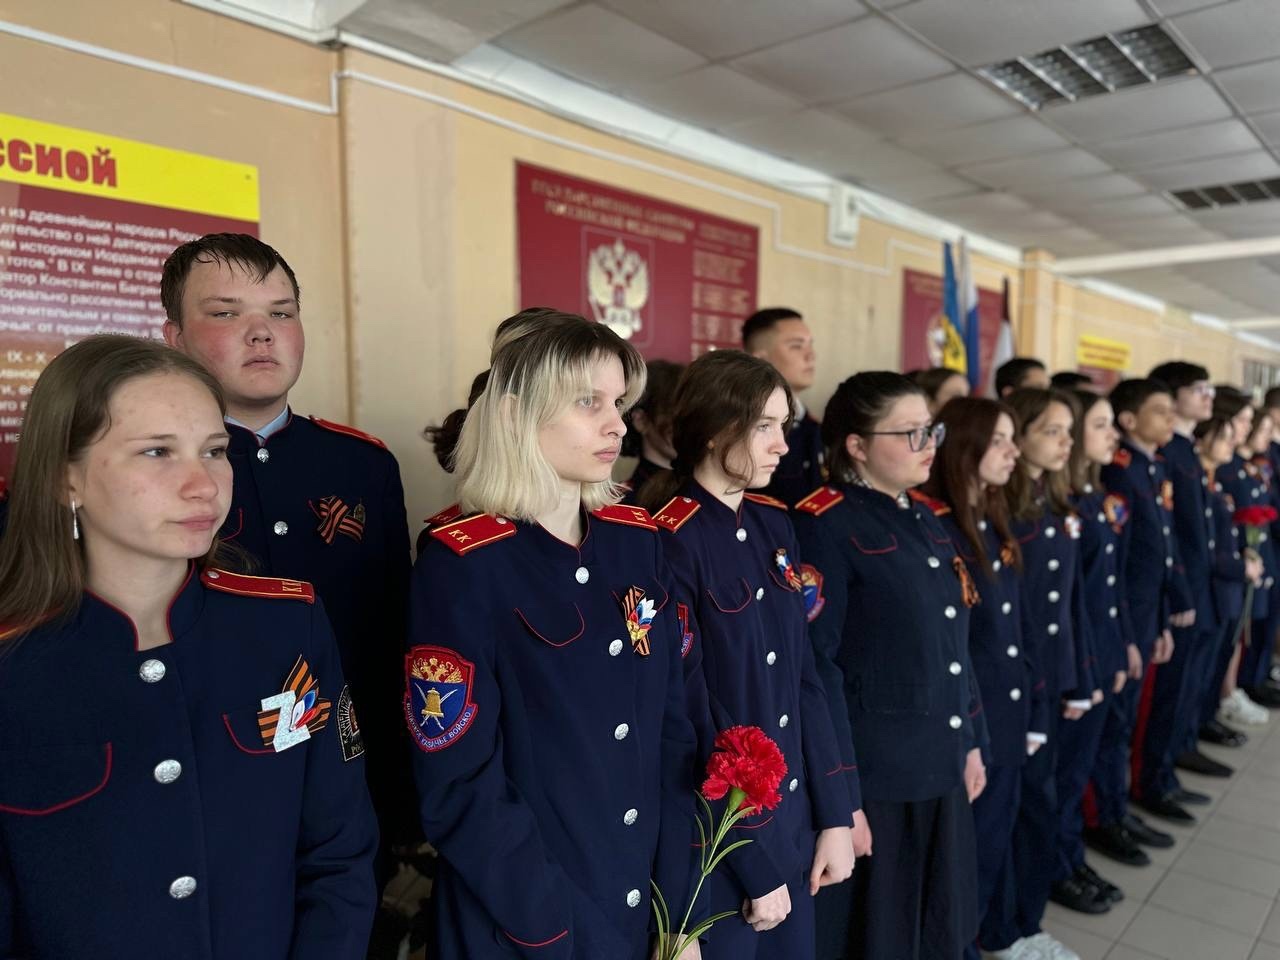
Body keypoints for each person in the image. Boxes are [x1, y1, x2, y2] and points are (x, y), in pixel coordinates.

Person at [0, 335, 377, 957]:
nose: (203, 485)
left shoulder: (285, 628)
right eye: (156, 452)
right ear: (66, 478)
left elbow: (338, 854)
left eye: (215, 450)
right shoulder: (15, 665)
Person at [406, 311, 700, 960]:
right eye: (587, 402)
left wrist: (679, 911)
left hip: (644, 907)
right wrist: (550, 927)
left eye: (619, 402)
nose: (617, 423)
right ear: (514, 414)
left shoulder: (637, 542)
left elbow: (672, 727)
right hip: (525, 922)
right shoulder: (465, 564)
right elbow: (459, 782)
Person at [160, 233, 414, 864]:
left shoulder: (361, 464)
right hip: (205, 782)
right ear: (174, 338)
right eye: (225, 313)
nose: (262, 333)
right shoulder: (148, 471)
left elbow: (391, 636)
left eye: (281, 312)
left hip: (351, 781)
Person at [636, 350, 857, 959]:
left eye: (782, 425)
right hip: (718, 841)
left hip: (792, 813)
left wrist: (835, 814)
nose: (782, 445)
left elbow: (805, 677)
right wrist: (752, 861)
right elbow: (686, 719)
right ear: (713, 429)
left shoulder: (772, 524)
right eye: (764, 426)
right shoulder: (667, 540)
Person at [793, 372, 987, 960]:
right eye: (909, 433)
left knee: (940, 924)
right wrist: (841, 799)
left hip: (940, 759)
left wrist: (971, 740)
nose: (928, 443)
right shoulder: (823, 523)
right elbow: (816, 670)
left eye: (931, 429)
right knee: (881, 934)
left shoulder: (927, 517)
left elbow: (955, 647)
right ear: (856, 445)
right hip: (877, 777)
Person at [918, 396, 1030, 960]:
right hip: (966, 717)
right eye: (1001, 440)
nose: (1015, 452)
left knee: (996, 836)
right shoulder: (938, 528)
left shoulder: (990, 518)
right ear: (966, 446)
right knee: (964, 859)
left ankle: (991, 938)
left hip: (1002, 709)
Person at [990, 388, 1097, 960]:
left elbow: (1068, 604)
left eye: (1067, 432)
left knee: (1042, 804)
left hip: (1051, 681)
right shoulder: (1001, 508)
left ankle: (1024, 921)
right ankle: (1007, 929)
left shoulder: (1056, 502)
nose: (1065, 442)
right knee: (1021, 810)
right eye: (1052, 430)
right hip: (1018, 684)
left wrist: (1079, 676)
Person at [1050, 389, 1136, 915]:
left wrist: (1123, 641)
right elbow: (1068, 607)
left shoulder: (1094, 495)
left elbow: (1109, 587)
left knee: (1080, 768)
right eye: (1102, 425)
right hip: (1076, 665)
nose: (1113, 436)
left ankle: (1070, 854)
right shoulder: (1065, 506)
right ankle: (1059, 864)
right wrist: (1085, 674)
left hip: (1101, 655)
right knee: (1063, 777)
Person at [1099, 380, 1189, 825]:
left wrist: (1162, 622)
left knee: (1128, 720)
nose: (1170, 419)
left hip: (1145, 614)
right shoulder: (1120, 471)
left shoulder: (1151, 468)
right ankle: (1106, 817)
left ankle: (1118, 809)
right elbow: (1122, 564)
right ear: (1129, 420)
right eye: (1160, 411)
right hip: (1126, 618)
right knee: (1115, 725)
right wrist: (1134, 631)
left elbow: (1161, 553)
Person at [1147, 363, 1230, 785]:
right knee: (1170, 690)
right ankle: (1156, 775)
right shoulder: (1169, 453)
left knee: (1187, 684)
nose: (1207, 397)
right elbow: (1172, 536)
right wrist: (1180, 592)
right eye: (1198, 389)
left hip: (1196, 587)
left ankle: (1176, 755)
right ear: (1174, 394)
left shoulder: (1184, 451)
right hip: (1180, 590)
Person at [1196, 416, 1264, 746]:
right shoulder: (1201, 480)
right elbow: (1201, 547)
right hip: (1209, 590)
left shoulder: (1215, 482)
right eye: (1224, 436)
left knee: (1211, 667)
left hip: (1225, 587)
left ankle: (1201, 725)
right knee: (1191, 678)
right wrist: (1239, 567)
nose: (1232, 443)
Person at [1210, 390, 1273, 727]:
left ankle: (1233, 690)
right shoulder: (1226, 470)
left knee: (1239, 634)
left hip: (1247, 562)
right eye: (1246, 421)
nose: (1248, 429)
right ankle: (1225, 694)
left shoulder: (1243, 467)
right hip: (1224, 574)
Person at [743, 308, 822, 505]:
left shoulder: (814, 425)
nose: (811, 355)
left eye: (810, 345)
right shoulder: (743, 426)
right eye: (796, 346)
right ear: (761, 359)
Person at [622, 358, 684, 498]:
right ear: (640, 421)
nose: (687, 426)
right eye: (673, 415)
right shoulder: (624, 501)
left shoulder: (708, 488)